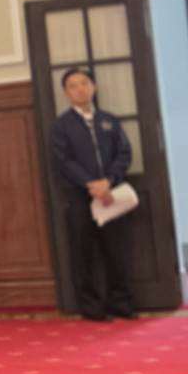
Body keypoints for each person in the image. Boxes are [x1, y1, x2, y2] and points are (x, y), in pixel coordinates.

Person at [50, 67, 137, 322]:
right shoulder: (61, 126)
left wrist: (108, 181)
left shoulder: (109, 120)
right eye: (74, 86)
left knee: (116, 251)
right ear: (66, 93)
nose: (80, 89)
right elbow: (63, 161)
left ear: (93, 87)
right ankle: (91, 307)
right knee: (83, 253)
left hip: (111, 195)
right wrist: (91, 184)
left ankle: (121, 304)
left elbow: (124, 153)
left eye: (84, 83)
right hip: (79, 198)